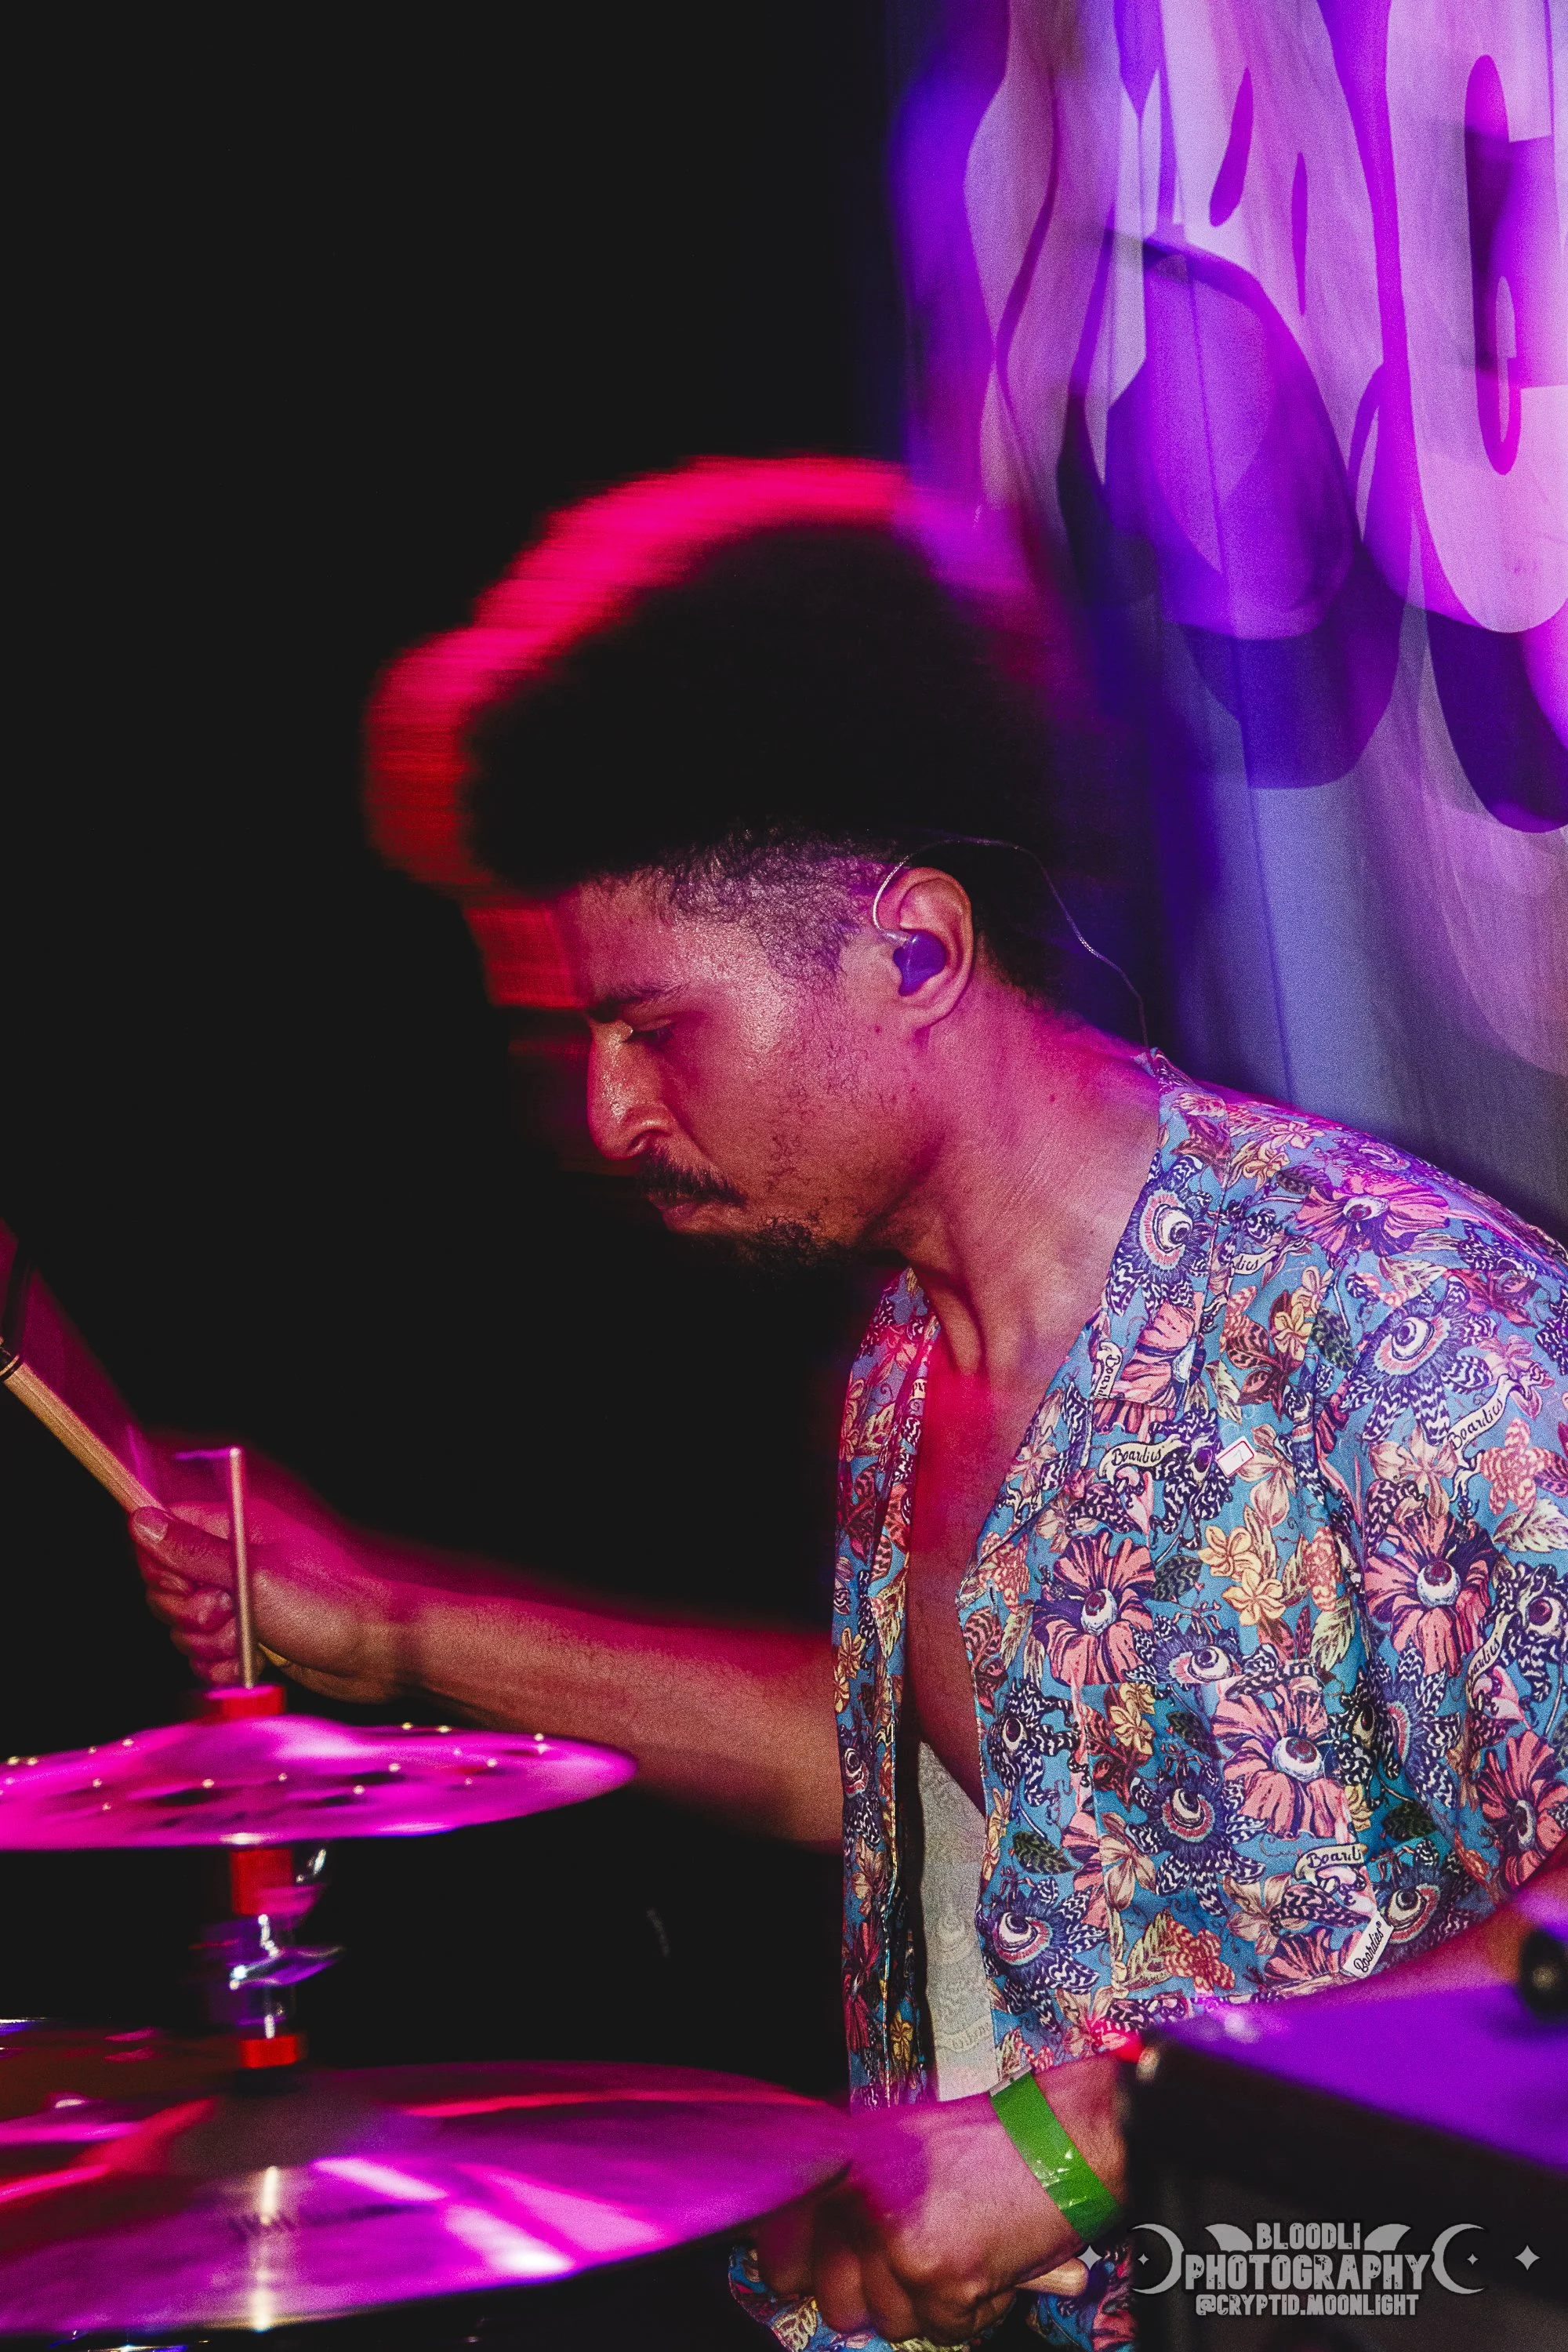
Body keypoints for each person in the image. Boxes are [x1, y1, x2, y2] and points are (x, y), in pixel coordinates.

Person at [135, 459, 1568, 2352]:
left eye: (652, 1029)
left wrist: (1086, 2138)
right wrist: (396, 1630)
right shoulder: (916, 1339)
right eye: (577, 1042)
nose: (609, 1116)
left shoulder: (1385, 1326)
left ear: (912, 949)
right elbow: (930, 1770)